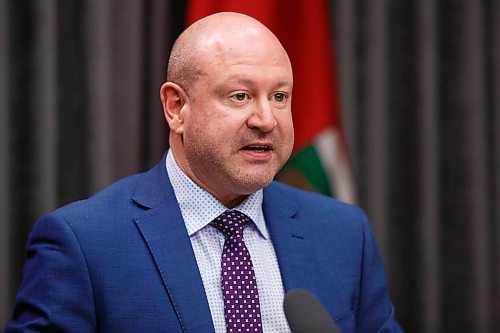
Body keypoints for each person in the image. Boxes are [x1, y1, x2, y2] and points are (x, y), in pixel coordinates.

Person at [5, 12, 402, 333]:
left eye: (280, 96)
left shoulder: (344, 234)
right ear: (176, 108)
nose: (266, 119)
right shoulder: (85, 244)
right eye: (240, 96)